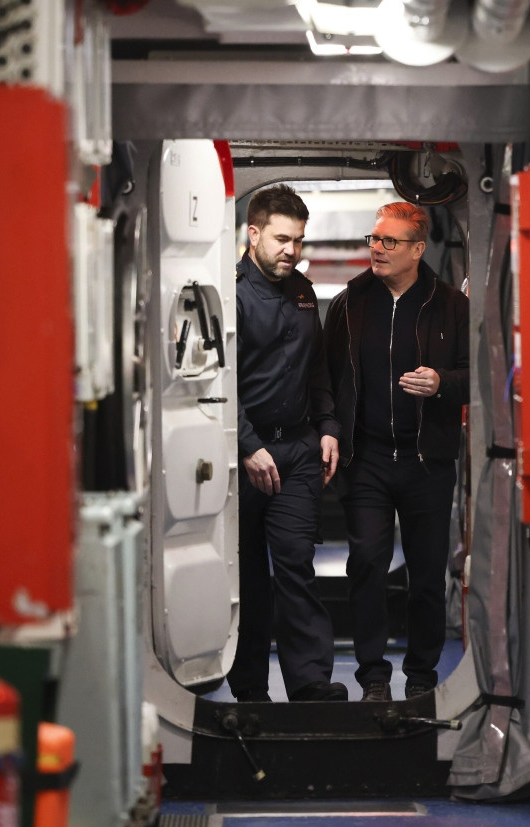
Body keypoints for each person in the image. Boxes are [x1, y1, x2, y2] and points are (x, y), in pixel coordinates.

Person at [323, 202, 469, 702]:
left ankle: (422, 677)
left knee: (427, 573)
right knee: (366, 564)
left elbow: (482, 378)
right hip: (366, 459)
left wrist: (442, 382)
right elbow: (326, 378)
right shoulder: (349, 303)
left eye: (390, 241)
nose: (377, 249)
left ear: (418, 249)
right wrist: (331, 431)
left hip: (427, 460)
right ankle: (373, 677)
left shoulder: (451, 305)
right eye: (374, 239)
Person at [229, 184, 348, 703]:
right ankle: (250, 688)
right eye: (281, 239)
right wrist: (246, 445)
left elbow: (316, 368)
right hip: (244, 457)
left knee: (296, 566)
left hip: (296, 451)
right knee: (247, 576)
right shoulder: (227, 293)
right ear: (253, 234)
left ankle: (310, 684)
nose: (291, 251)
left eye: (298, 241)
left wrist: (327, 427)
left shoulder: (302, 292)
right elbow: (214, 379)